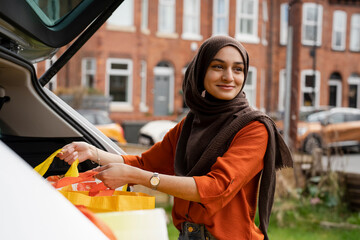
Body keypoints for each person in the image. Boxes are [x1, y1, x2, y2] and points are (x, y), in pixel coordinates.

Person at [57, 35, 293, 240]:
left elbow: (216, 188)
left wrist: (137, 177)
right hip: (188, 234)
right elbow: (145, 163)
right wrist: (94, 153)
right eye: (218, 67)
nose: (229, 77)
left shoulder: (253, 128)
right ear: (201, 71)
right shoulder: (191, 123)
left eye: (238, 69)